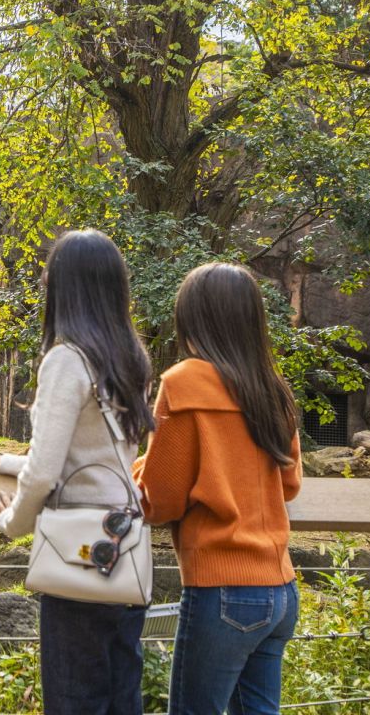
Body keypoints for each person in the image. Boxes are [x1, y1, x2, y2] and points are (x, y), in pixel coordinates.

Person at [0, 229, 155, 714]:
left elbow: (44, 477)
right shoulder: (131, 359)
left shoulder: (66, 360)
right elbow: (101, 457)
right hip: (125, 550)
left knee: (75, 701)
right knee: (122, 698)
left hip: (79, 554)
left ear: (63, 289)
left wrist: (10, 522)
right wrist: (12, 462)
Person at [133, 262, 302, 715]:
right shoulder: (272, 387)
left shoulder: (183, 383)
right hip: (280, 588)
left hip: (223, 588)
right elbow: (289, 484)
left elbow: (159, 501)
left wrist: (138, 468)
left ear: (193, 319)